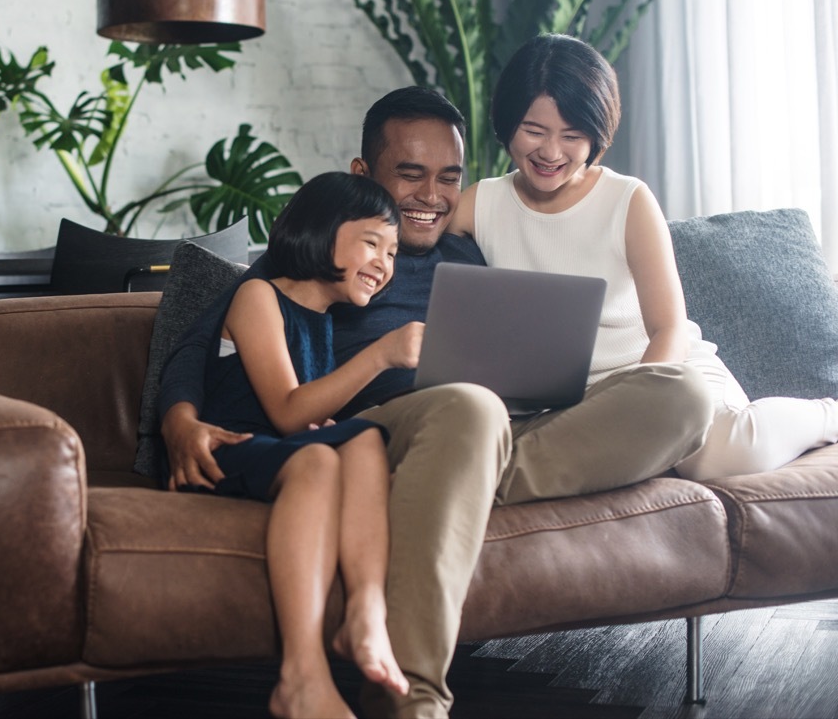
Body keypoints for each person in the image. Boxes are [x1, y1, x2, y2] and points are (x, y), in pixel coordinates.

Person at [159, 86, 713, 719]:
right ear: (363, 176)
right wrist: (179, 418)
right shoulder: (330, 255)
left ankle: (457, 481)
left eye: (449, 178)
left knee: (681, 394)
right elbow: (199, 338)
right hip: (381, 432)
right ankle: (414, 698)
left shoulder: (466, 247)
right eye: (411, 176)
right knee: (469, 408)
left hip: (495, 429)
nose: (431, 198)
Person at [451, 32, 838, 481]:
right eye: (533, 131)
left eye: (572, 136)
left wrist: (641, 404)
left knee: (713, 456)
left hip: (665, 374)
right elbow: (405, 242)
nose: (551, 152)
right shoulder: (481, 204)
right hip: (571, 401)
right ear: (506, 122)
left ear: (596, 135)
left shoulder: (626, 199)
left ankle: (828, 414)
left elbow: (669, 328)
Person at [172, 171, 416, 719]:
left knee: (365, 441)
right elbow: (285, 410)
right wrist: (380, 354)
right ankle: (300, 678)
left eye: (394, 252)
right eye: (372, 242)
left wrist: (326, 427)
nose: (384, 262)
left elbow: (307, 414)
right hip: (228, 450)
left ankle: (365, 614)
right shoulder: (258, 295)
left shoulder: (322, 319)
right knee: (319, 461)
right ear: (321, 230)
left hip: (274, 453)